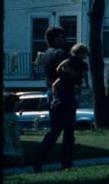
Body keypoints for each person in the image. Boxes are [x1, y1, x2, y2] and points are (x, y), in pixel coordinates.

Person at [33, 43, 89, 172]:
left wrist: (54, 95)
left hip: (56, 94)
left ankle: (39, 157)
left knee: (55, 130)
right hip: (67, 96)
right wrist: (79, 78)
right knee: (69, 131)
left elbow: (59, 74)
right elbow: (81, 75)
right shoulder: (76, 63)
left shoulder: (53, 58)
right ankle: (66, 163)